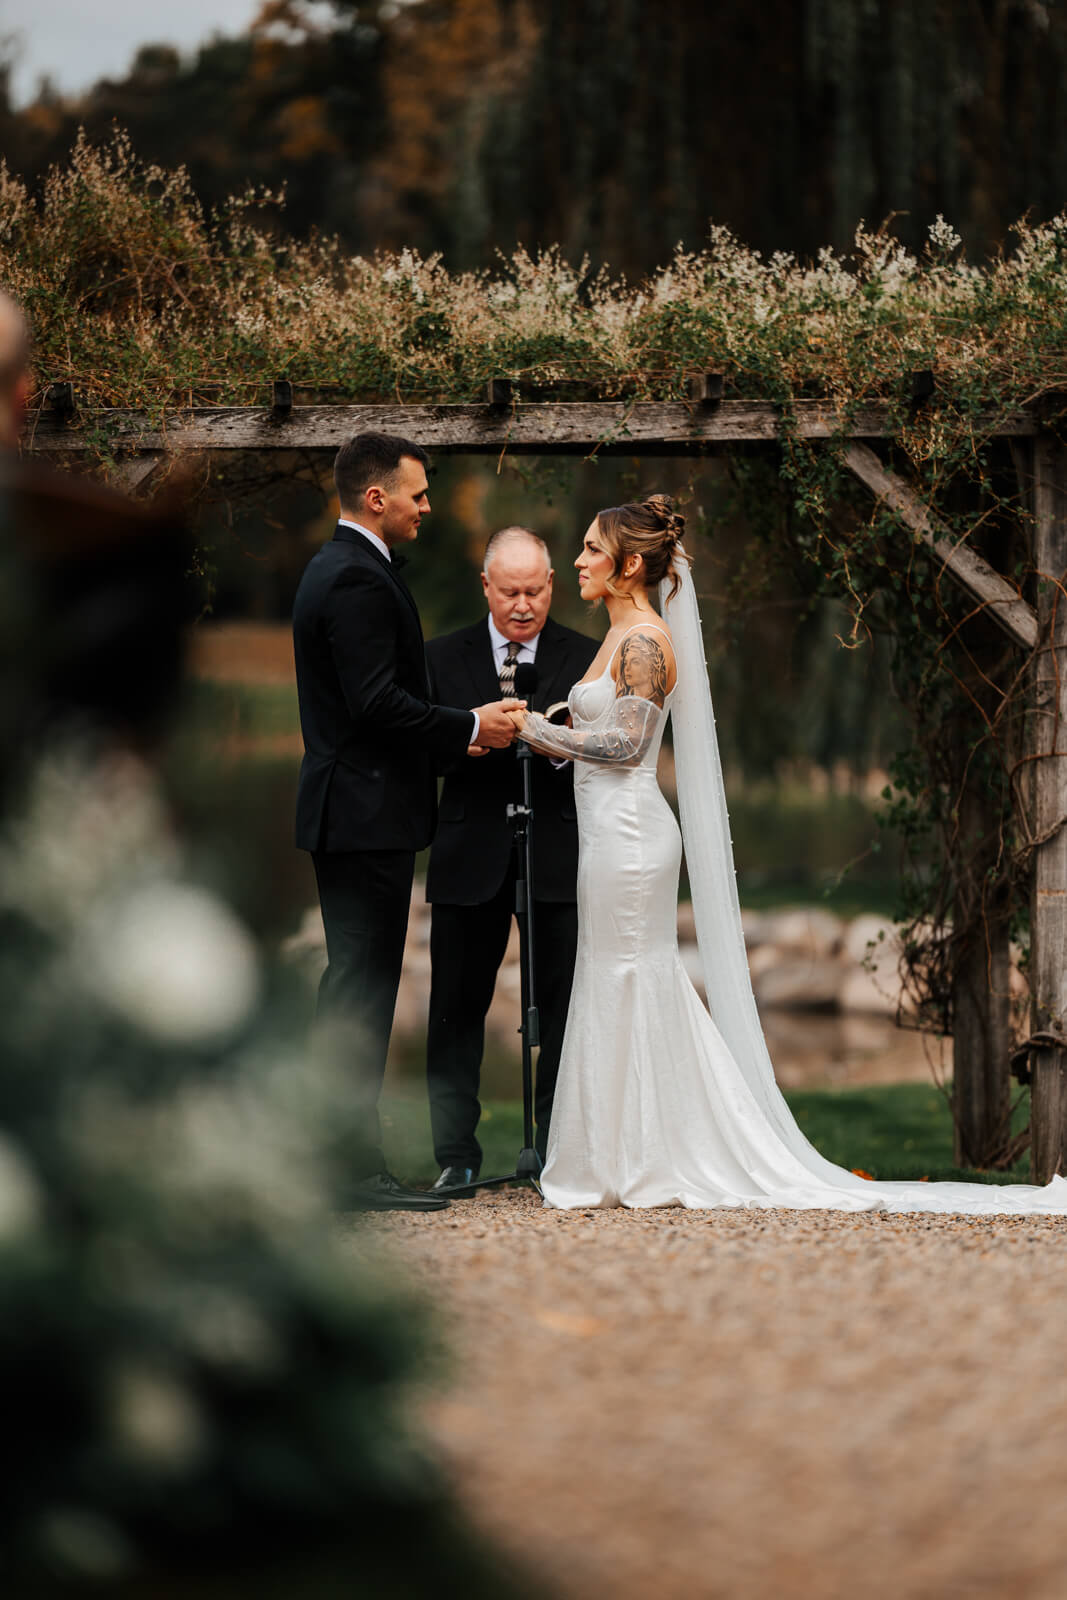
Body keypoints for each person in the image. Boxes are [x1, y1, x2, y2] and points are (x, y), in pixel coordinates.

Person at [512, 495, 1067, 1216]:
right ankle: (619, 1153)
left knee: (630, 973)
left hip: (630, 838)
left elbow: (623, 746)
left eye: (590, 549)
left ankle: (643, 1157)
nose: (578, 560)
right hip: (606, 835)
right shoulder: (618, 636)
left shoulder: (644, 640)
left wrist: (533, 729)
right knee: (616, 974)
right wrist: (559, 723)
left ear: (629, 565)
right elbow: (609, 726)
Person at [292, 432, 524, 1212]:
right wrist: (468, 726)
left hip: (361, 813)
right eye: (418, 495)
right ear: (376, 497)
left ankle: (337, 1161)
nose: (428, 507)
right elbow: (375, 704)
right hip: (362, 816)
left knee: (356, 986)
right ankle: (349, 1169)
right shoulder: (354, 578)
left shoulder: (352, 568)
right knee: (359, 991)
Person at [424, 526, 598, 1189]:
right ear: (485, 587)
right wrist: (462, 738)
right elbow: (416, 745)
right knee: (455, 1009)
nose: (522, 605)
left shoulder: (587, 656)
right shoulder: (440, 657)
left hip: (557, 852)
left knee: (562, 1008)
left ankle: (555, 1151)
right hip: (468, 851)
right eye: (509, 592)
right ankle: (455, 1157)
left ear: (551, 585)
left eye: (533, 591)